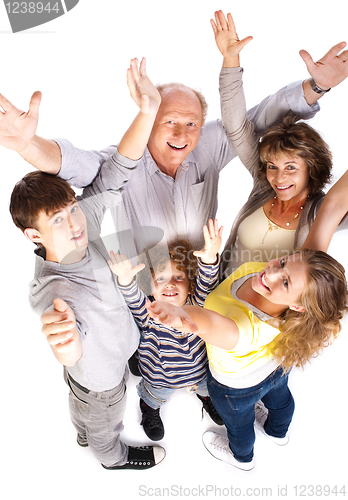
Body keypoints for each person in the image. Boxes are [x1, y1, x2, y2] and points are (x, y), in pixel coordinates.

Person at [3, 11, 341, 255]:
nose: (182, 132)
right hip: (149, 298)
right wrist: (27, 144)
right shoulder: (122, 161)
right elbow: (71, 162)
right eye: (169, 121)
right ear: (149, 122)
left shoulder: (207, 144)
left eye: (192, 123)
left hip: (208, 288)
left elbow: (256, 120)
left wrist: (316, 87)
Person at [8, 58, 166, 470]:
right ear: (34, 235)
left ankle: (81, 427)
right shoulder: (55, 292)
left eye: (73, 208)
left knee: (81, 408)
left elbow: (118, 170)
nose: (75, 223)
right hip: (102, 383)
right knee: (103, 425)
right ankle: (110, 459)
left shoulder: (85, 224)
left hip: (118, 349)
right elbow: (64, 332)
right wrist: (68, 346)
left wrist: (147, 111)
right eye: (57, 220)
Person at [145, 163, 348, 470]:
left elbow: (208, 323)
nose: (272, 273)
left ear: (298, 307)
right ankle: (278, 432)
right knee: (280, 399)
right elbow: (333, 207)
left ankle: (243, 457)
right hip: (276, 365)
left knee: (239, 425)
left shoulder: (244, 329)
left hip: (236, 389)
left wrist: (180, 314)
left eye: (285, 282)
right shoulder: (307, 277)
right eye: (283, 262)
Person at [210, 10, 348, 278]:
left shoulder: (319, 214)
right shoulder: (263, 185)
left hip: (264, 320)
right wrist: (230, 60)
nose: (278, 176)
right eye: (272, 165)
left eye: (291, 167)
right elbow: (236, 126)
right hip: (218, 307)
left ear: (312, 167)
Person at [108, 219, 224, 441]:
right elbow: (132, 296)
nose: (170, 284)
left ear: (189, 282)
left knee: (207, 388)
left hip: (199, 374)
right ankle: (149, 409)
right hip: (160, 378)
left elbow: (207, 283)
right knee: (154, 397)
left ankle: (207, 400)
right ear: (149, 286)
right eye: (160, 279)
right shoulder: (149, 310)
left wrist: (210, 259)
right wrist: (125, 278)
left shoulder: (196, 304)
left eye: (178, 277)